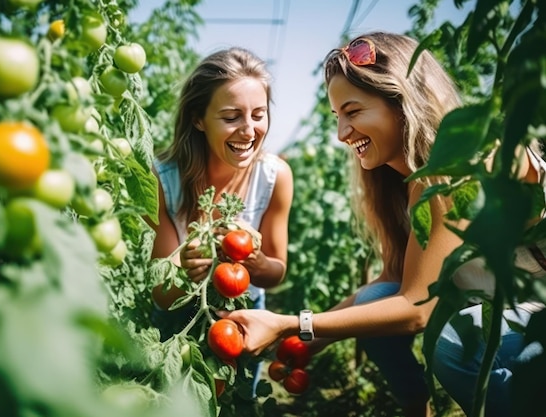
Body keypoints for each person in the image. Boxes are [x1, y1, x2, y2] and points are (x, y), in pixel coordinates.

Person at [220, 31, 545, 417]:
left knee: (453, 342)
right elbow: (393, 282)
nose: (342, 134)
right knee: (375, 304)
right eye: (337, 117)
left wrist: (294, 324)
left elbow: (415, 309)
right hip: (495, 307)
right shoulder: (406, 185)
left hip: (535, 314)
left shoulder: (462, 161)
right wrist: (312, 338)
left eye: (354, 112)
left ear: (401, 101)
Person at [147, 46, 294, 387]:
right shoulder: (163, 178)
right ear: (198, 118)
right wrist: (183, 269)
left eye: (259, 114)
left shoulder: (275, 176)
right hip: (179, 317)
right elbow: (162, 295)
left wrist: (256, 263)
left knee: (238, 400)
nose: (249, 130)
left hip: (243, 314)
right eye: (232, 117)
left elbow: (276, 271)